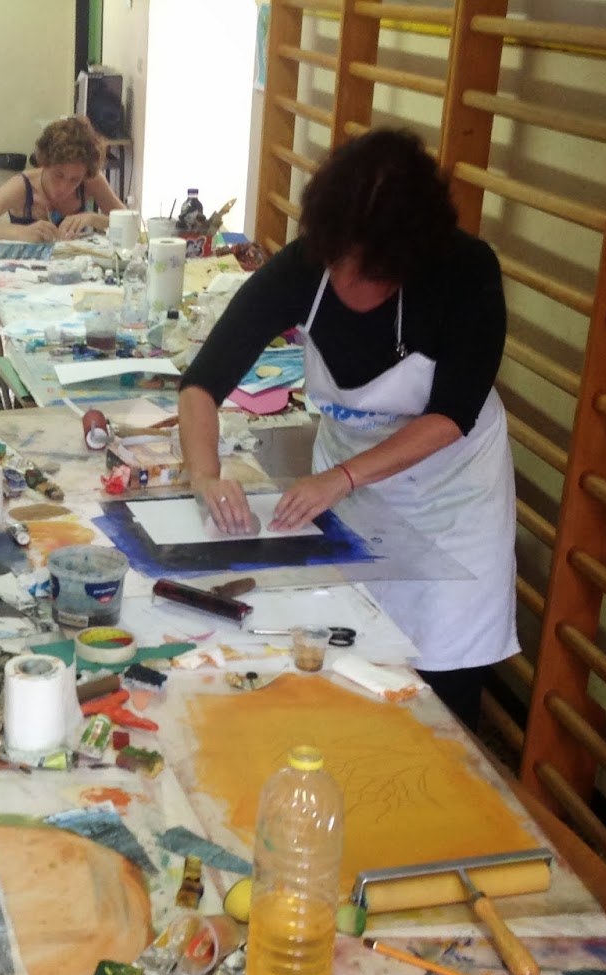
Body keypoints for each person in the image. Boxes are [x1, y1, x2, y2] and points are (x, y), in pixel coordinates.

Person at [177, 128, 516, 729]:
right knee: (339, 658)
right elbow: (203, 383)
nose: (349, 283)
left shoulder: (466, 274)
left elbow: (451, 416)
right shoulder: (305, 265)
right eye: (341, 263)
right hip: (344, 487)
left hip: (451, 498)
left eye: (371, 271)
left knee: (438, 696)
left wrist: (343, 477)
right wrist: (205, 475)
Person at [0, 115, 124, 243]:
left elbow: (131, 225)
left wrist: (94, 219)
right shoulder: (22, 186)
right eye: (58, 175)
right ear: (45, 163)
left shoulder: (91, 180)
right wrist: (21, 232)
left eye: (75, 180)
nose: (64, 186)